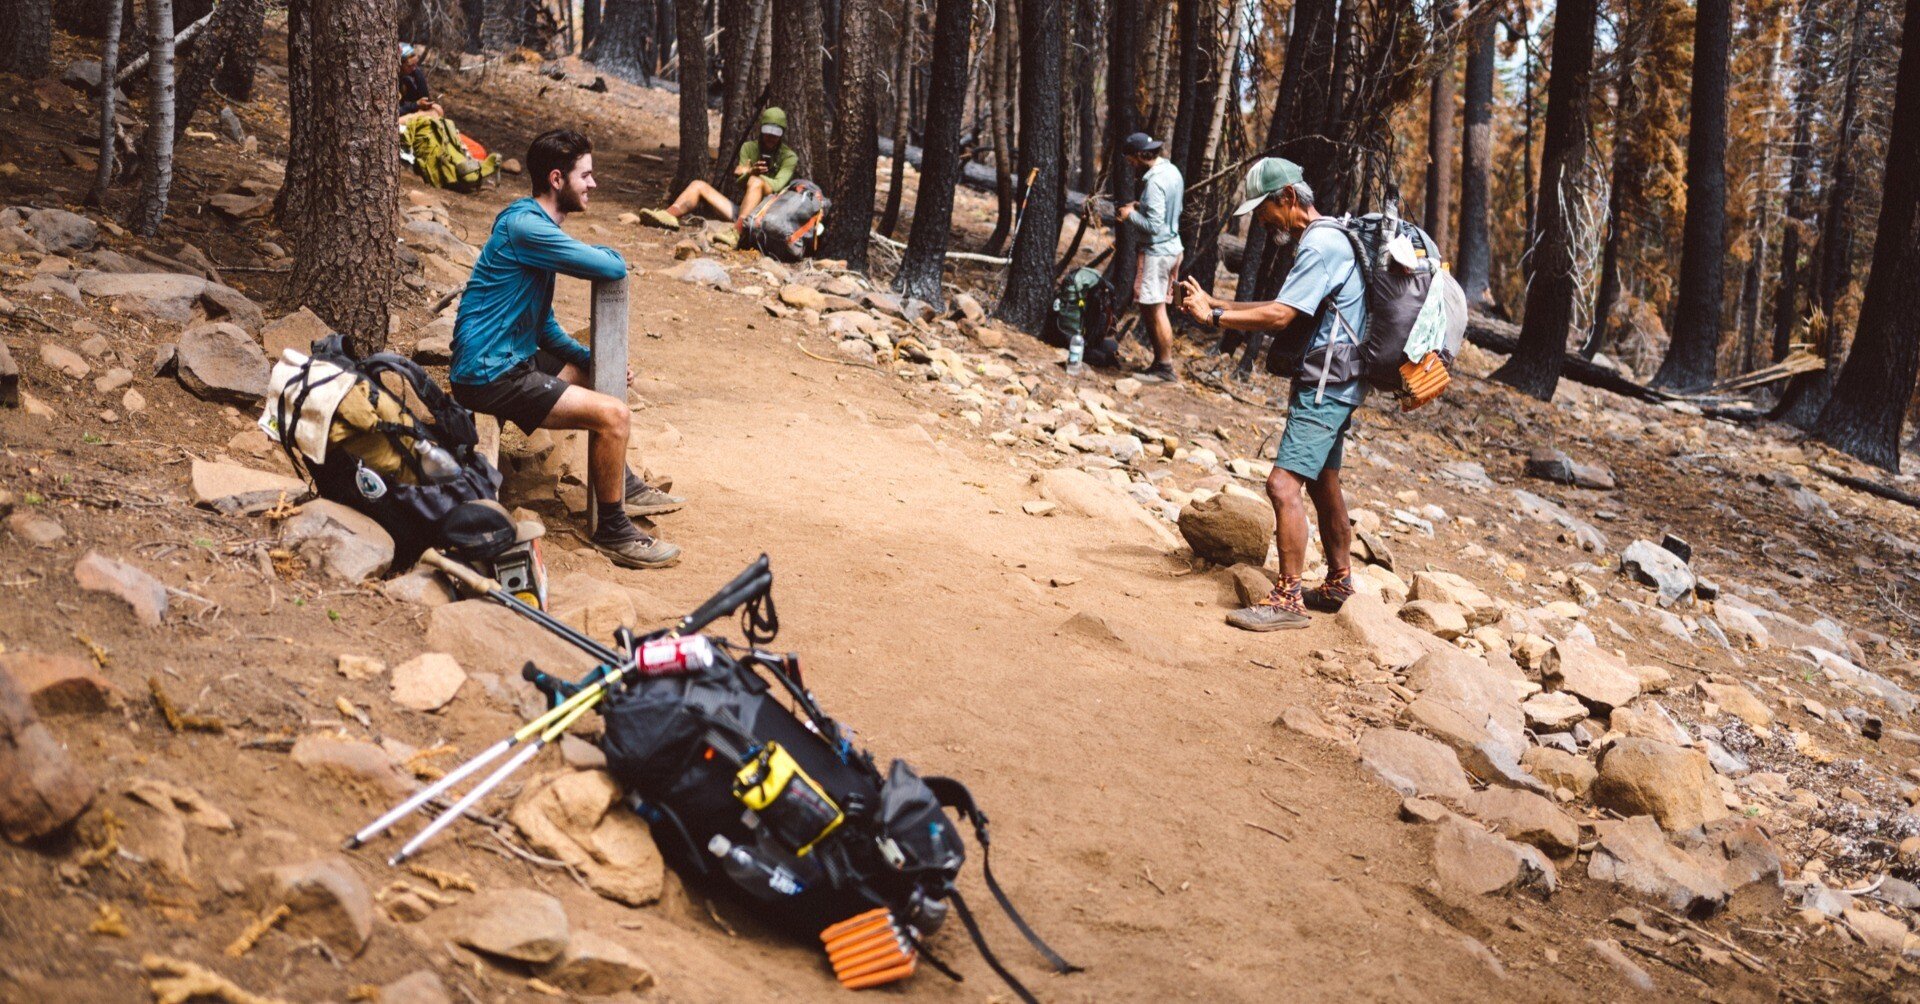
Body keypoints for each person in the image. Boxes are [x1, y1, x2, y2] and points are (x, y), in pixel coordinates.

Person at [450, 128, 686, 570]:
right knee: (614, 414)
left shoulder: (532, 225)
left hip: (507, 358)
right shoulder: (526, 227)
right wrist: (608, 250)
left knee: (599, 377)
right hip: (489, 374)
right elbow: (609, 266)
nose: (593, 185)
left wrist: (590, 362)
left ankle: (624, 484)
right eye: (586, 175)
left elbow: (543, 326)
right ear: (557, 179)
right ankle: (612, 531)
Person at [1177, 158, 1366, 631]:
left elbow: (1281, 317)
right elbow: (1287, 307)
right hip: (1341, 379)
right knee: (1324, 481)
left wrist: (1213, 319)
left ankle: (1286, 600)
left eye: (1263, 209)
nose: (1260, 221)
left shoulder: (1319, 245)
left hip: (1325, 383)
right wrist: (1219, 302)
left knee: (1282, 485)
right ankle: (1339, 581)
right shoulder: (1330, 236)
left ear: (1287, 198)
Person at [639, 108, 797, 240]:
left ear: (782, 134)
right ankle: (668, 216)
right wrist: (750, 172)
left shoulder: (789, 157)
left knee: (756, 182)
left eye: (776, 134)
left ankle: (737, 233)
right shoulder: (749, 148)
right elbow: (740, 183)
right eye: (768, 132)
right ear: (761, 129)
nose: (771, 138)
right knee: (698, 185)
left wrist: (753, 175)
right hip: (743, 211)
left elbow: (777, 186)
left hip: (766, 216)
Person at [1116, 131, 1185, 384]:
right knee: (1157, 306)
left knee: (1155, 308)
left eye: (1130, 159)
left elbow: (1154, 225)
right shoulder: (1171, 172)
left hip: (1158, 252)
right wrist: (1140, 207)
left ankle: (1165, 368)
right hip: (1173, 248)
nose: (1130, 164)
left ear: (1139, 156)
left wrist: (1129, 215)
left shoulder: (1154, 182)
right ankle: (1160, 363)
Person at [398, 44, 439, 117]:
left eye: (415, 65)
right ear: (399, 64)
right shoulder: (394, 82)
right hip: (399, 116)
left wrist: (417, 72)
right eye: (410, 66)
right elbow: (396, 111)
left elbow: (424, 97)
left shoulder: (406, 80)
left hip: (409, 110)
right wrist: (416, 105)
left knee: (438, 109)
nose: (414, 68)